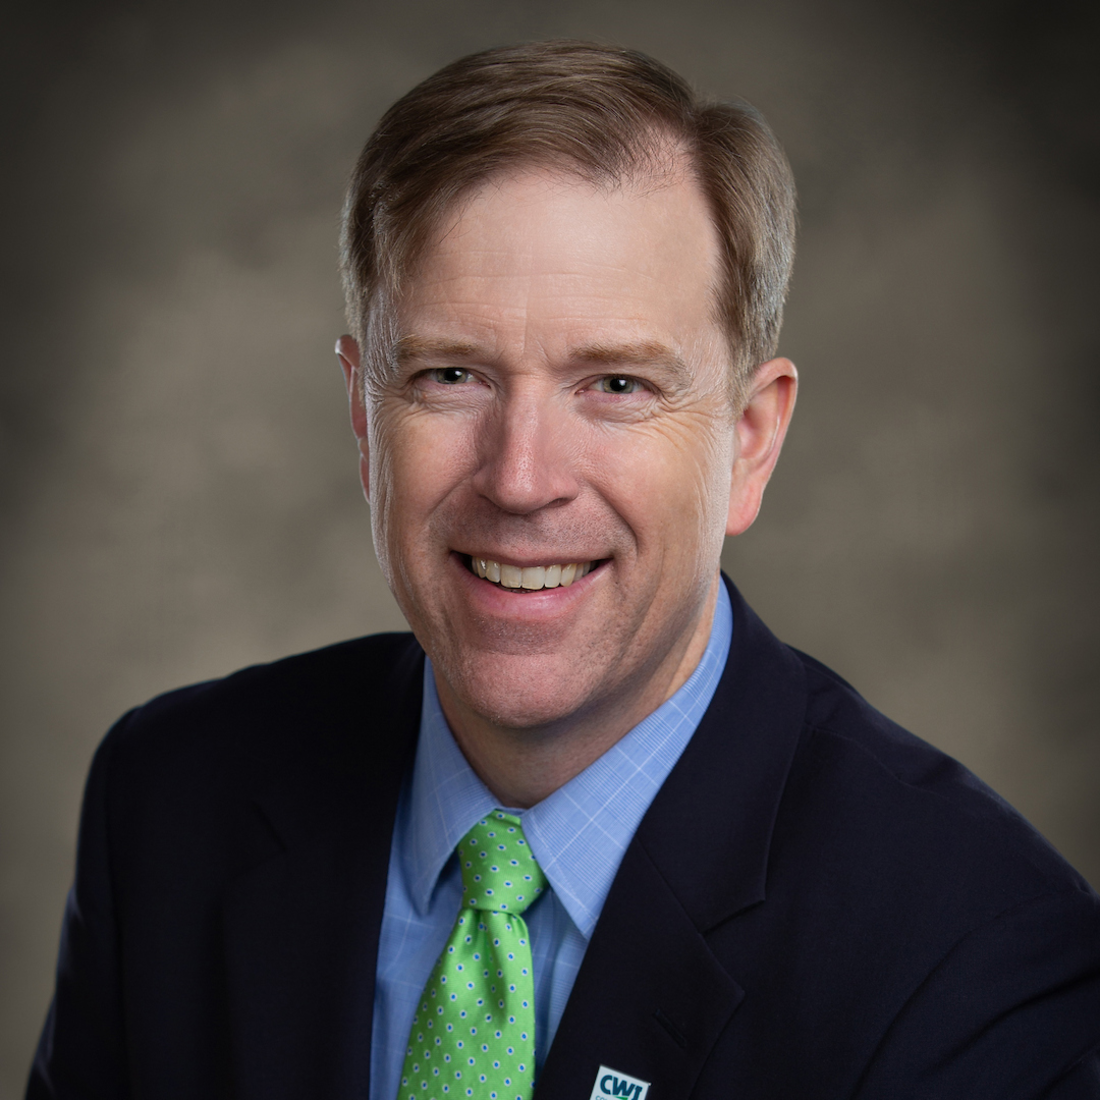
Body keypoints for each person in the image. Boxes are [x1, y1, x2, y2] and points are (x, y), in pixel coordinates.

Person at [27, 41, 1100, 1100]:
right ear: (363, 415)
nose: (520, 476)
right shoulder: (169, 803)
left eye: (617, 384)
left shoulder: (973, 956)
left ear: (750, 440)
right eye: (451, 374)